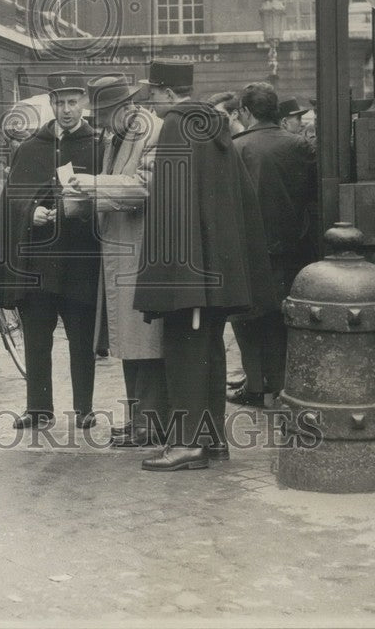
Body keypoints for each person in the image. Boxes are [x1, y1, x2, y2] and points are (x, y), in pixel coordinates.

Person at [134, 61, 274, 472]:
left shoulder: (178, 124)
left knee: (183, 351)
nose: (150, 100)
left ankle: (187, 444)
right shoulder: (214, 125)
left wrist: (175, 277)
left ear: (165, 93)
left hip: (188, 271)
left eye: (152, 92)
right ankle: (212, 441)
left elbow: (175, 205)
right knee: (209, 349)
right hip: (214, 269)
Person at [0, 70, 103, 429]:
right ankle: (38, 407)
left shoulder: (97, 147)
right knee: (37, 337)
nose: (66, 109)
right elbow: (11, 200)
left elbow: (110, 196)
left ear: (83, 103)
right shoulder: (31, 147)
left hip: (79, 260)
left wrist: (84, 205)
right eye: (59, 102)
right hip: (37, 262)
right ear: (51, 104)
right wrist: (31, 212)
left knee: (81, 339)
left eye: (72, 102)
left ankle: (84, 408)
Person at [70, 73, 168, 447]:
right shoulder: (120, 134)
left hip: (141, 251)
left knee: (144, 340)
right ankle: (138, 418)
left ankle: (150, 423)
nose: (98, 124)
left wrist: (94, 184)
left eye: (101, 115)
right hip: (121, 249)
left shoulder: (152, 132)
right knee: (128, 341)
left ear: (124, 107)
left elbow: (144, 185)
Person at [230, 82, 318, 407]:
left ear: (247, 112)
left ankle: (255, 386)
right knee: (283, 319)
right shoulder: (300, 146)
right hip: (294, 247)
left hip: (249, 250)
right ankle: (283, 389)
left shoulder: (236, 147)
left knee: (247, 319)